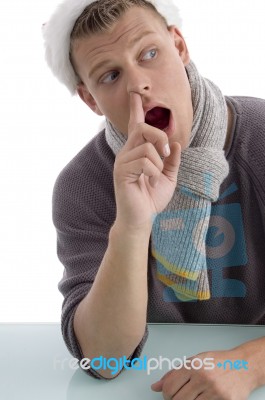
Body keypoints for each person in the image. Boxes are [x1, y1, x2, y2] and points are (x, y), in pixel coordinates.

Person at [43, 0, 265, 398]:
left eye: (149, 54)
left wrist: (248, 364)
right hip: (149, 384)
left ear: (178, 46)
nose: (138, 85)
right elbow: (105, 360)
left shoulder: (262, 138)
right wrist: (131, 224)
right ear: (90, 100)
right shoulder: (82, 186)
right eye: (110, 75)